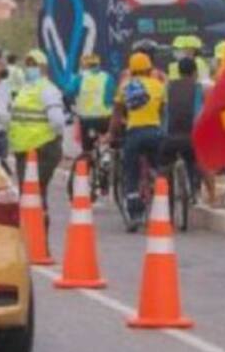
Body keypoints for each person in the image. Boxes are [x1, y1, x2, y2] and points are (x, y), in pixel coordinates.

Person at [8, 49, 65, 233]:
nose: (30, 68)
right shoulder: (26, 89)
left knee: (34, 193)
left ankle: (39, 233)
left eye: (34, 65)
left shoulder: (47, 89)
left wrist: (53, 138)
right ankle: (33, 235)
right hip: (24, 150)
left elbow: (57, 121)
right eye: (28, 64)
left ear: (43, 67)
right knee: (30, 194)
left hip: (42, 149)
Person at [116, 51, 166, 231]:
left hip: (134, 134)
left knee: (131, 173)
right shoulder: (159, 86)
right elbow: (162, 110)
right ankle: (160, 191)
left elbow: (117, 115)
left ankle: (135, 214)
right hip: (155, 133)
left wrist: (112, 134)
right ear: (149, 69)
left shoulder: (125, 87)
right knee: (160, 167)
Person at [161, 56, 205, 199]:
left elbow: (164, 112)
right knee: (194, 161)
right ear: (195, 72)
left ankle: (165, 192)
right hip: (190, 137)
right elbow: (198, 113)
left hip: (169, 137)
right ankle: (195, 190)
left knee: (164, 163)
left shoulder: (168, 87)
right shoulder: (197, 88)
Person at [70, 52, 114, 161]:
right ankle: (106, 161)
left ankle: (87, 164)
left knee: (87, 149)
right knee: (106, 144)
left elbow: (68, 92)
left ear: (85, 66)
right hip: (105, 118)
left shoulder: (80, 78)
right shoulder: (107, 77)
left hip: (86, 119)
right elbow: (113, 97)